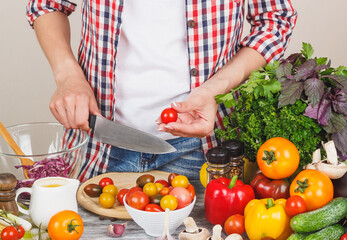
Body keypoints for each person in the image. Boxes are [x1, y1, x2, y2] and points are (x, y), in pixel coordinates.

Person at [26, 0, 297, 182]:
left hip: (203, 150)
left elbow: (275, 19)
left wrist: (215, 89)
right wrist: (67, 76)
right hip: (97, 141)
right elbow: (47, 4)